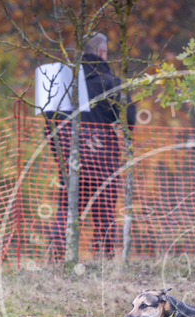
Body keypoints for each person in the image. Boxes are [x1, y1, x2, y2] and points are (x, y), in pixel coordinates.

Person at [51, 33, 135, 258]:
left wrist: (58, 153)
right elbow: (130, 121)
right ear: (102, 53)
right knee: (104, 212)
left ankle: (59, 252)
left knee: (68, 209)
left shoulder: (61, 84)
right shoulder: (111, 83)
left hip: (69, 158)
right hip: (103, 162)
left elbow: (49, 125)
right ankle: (104, 257)